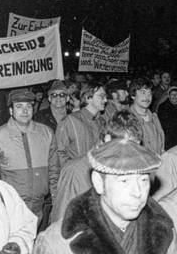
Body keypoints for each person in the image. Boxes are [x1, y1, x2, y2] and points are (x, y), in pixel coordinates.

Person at [34, 139, 177, 254]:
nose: (137, 192)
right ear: (99, 182)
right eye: (124, 181)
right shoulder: (58, 243)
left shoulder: (163, 232)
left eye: (143, 180)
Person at [50, 110, 143, 223]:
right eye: (128, 147)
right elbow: (62, 224)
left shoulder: (125, 167)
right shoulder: (76, 171)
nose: (132, 153)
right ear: (107, 139)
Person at [0, 88, 60, 228]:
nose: (25, 110)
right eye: (19, 106)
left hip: (39, 205)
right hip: (11, 205)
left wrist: (56, 197)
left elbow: (54, 169)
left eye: (28, 106)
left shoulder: (46, 133)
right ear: (11, 111)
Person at [56, 81, 107, 166]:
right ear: (88, 98)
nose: (105, 100)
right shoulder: (70, 121)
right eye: (101, 96)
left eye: (105, 97)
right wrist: (73, 172)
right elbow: (59, 153)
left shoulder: (102, 122)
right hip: (76, 176)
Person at [129, 77, 165, 155]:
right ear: (133, 95)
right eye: (143, 92)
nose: (147, 97)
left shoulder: (154, 118)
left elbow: (161, 146)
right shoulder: (127, 119)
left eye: (149, 93)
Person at [157, 85, 177, 150]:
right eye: (172, 95)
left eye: (176, 94)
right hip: (169, 139)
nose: (175, 97)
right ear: (168, 96)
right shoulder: (163, 107)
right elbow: (165, 125)